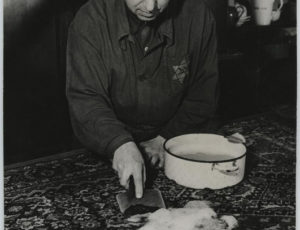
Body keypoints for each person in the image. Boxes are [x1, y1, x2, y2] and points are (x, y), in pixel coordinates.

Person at [66, 0, 219, 199]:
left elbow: (203, 93)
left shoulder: (198, 16)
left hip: (178, 135)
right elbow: (86, 98)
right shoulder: (90, 19)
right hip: (109, 142)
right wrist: (119, 144)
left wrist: (166, 139)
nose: (150, 7)